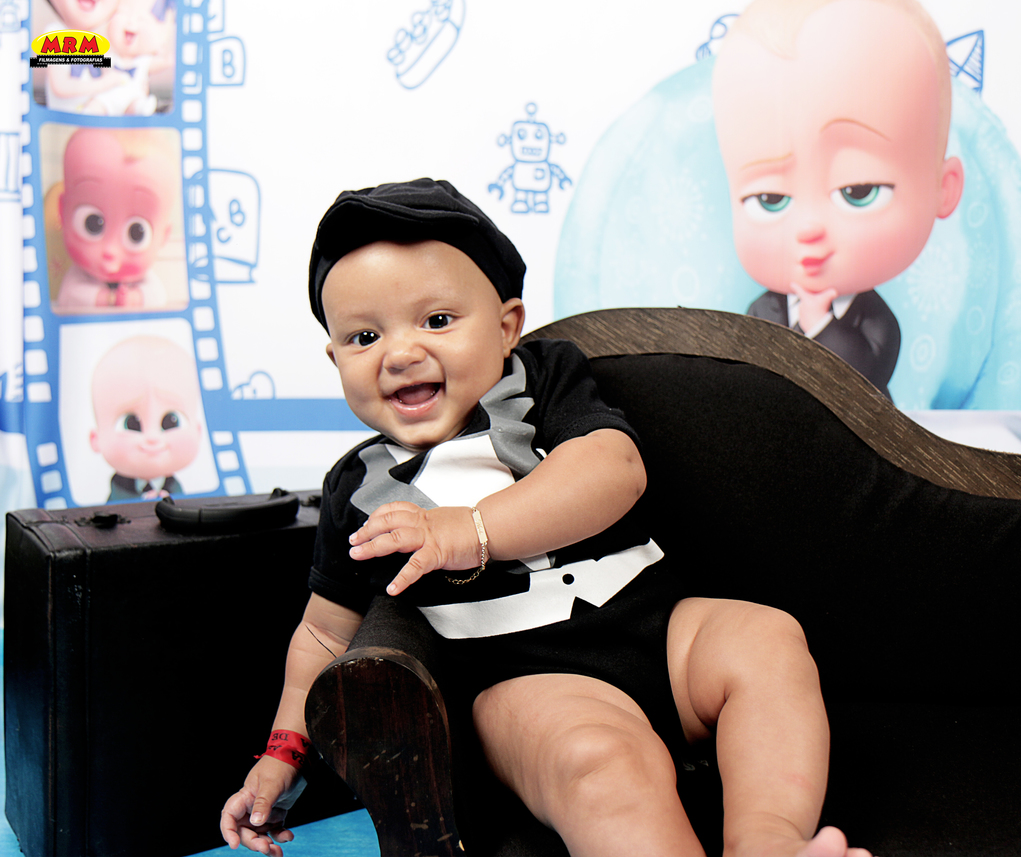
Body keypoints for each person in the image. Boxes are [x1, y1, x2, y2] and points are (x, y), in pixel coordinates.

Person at [219, 179, 870, 857]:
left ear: (506, 327)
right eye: (364, 336)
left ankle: (769, 841)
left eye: (437, 321)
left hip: (657, 633)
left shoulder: (540, 383)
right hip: (525, 684)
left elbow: (613, 468)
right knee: (598, 761)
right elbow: (324, 635)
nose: (401, 353)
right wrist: (282, 755)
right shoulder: (358, 489)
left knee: (765, 638)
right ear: (335, 358)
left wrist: (469, 529)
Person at [711, 0, 964, 397]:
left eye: (858, 192)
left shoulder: (875, 321)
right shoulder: (763, 312)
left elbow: (866, 373)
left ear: (943, 189)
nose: (809, 228)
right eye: (770, 198)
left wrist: (820, 325)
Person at [54, 127, 179, 310]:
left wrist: (135, 298)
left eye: (136, 233)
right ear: (62, 212)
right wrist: (107, 299)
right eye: (92, 224)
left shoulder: (143, 279)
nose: (110, 250)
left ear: (163, 237)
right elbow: (70, 296)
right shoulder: (79, 276)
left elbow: (157, 294)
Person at [89, 335, 202, 500]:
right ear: (96, 438)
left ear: (198, 431)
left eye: (171, 422)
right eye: (131, 424)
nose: (152, 438)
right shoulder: (119, 490)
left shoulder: (174, 487)